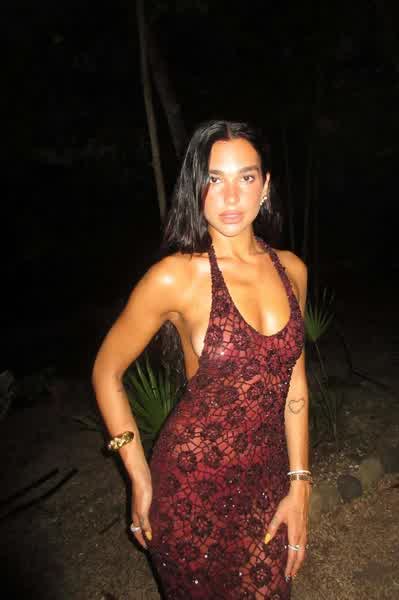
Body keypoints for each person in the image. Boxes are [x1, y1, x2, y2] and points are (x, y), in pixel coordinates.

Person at [92, 120, 311, 599]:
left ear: (265, 186)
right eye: (214, 179)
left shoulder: (292, 270)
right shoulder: (176, 277)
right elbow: (106, 370)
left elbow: (294, 381)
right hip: (187, 487)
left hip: (266, 478)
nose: (231, 196)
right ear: (196, 187)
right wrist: (137, 472)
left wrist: (300, 482)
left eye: (246, 177)